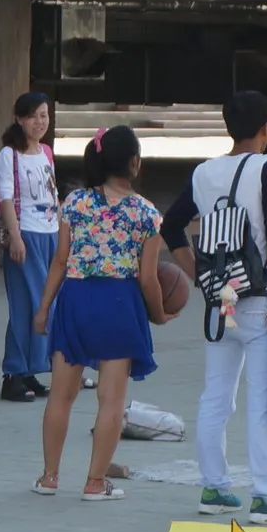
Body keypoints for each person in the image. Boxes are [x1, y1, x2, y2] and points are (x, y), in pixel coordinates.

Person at [161, 90, 267, 526]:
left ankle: (214, 487)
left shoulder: (204, 173)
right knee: (263, 400)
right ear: (266, 128)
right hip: (261, 299)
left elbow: (171, 225)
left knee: (216, 395)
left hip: (222, 300)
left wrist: (198, 276)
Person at [34, 125, 170, 503]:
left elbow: (59, 262)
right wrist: (158, 314)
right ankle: (95, 482)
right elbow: (147, 278)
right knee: (110, 399)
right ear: (134, 163)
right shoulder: (147, 214)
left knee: (60, 396)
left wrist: (44, 308)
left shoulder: (75, 202)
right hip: (119, 302)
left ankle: (49, 477)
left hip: (75, 298)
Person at [0, 91, 60, 402]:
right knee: (27, 305)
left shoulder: (46, 151)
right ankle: (13, 373)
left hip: (50, 233)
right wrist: (15, 235)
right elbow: (5, 197)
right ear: (20, 119)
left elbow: (52, 195)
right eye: (33, 116)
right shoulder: (9, 154)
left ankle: (32, 369)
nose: (40, 122)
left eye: (44, 115)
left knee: (47, 304)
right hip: (26, 235)